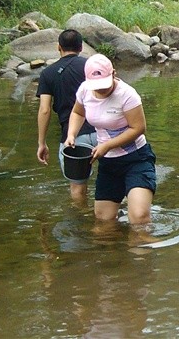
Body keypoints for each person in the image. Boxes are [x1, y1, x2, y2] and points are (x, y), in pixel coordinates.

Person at [63, 54, 157, 225]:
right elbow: (78, 112)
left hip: (136, 159)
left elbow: (139, 128)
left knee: (139, 218)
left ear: (114, 73)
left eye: (104, 85)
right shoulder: (85, 90)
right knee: (103, 222)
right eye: (96, 86)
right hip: (109, 163)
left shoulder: (127, 95)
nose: (101, 90)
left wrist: (107, 145)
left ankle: (147, 248)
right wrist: (71, 135)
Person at [36, 29, 97, 202]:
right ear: (81, 47)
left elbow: (45, 110)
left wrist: (42, 143)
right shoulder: (91, 67)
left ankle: (79, 225)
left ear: (58, 47)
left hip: (73, 137)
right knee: (113, 182)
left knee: (77, 190)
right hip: (103, 132)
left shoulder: (47, 74)